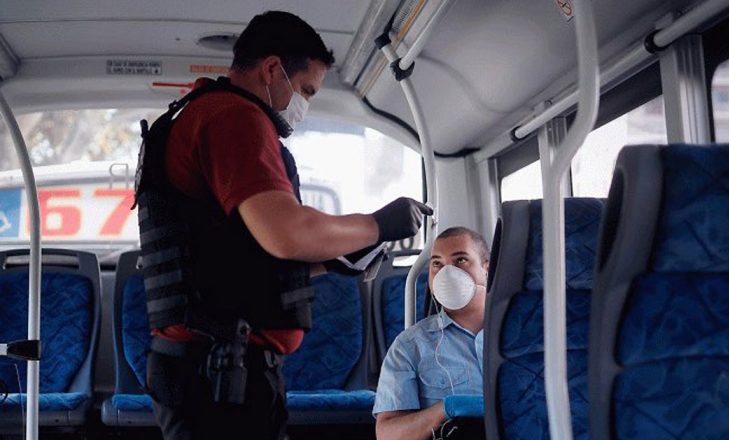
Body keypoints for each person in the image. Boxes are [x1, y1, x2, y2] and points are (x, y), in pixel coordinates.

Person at [136, 11, 432, 440]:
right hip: (219, 375)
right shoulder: (233, 117)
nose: (305, 106)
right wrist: (378, 224)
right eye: (307, 90)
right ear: (273, 69)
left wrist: (332, 262)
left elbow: (232, 257)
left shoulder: (202, 115)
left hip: (211, 366)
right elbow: (287, 233)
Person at [373, 227, 490, 440]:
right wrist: (444, 410)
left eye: (460, 260)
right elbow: (388, 434)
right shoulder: (410, 346)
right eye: (437, 264)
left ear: (487, 269)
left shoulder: (526, 334)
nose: (447, 273)